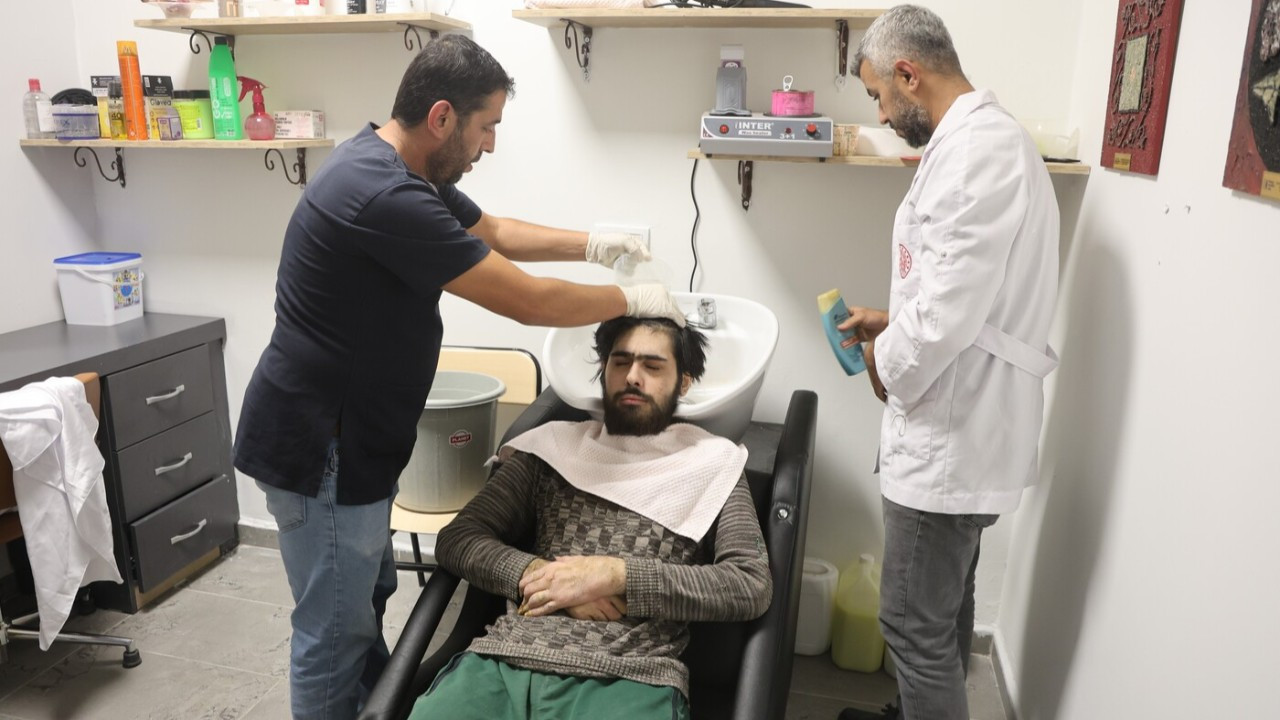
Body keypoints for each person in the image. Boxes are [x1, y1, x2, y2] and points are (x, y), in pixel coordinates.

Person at [233, 35, 686, 720]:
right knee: (332, 634)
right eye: (487, 126)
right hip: (321, 447)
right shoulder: (381, 193)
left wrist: (595, 244)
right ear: (442, 117)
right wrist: (633, 299)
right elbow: (526, 299)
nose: (491, 145)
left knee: (364, 604)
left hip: (355, 440)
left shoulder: (400, 168)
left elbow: (495, 230)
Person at [836, 6, 1060, 720]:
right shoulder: (977, 143)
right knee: (944, 609)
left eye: (879, 94)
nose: (881, 112)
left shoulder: (975, 152)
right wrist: (892, 320)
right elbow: (952, 290)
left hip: (953, 434)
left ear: (909, 73)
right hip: (966, 418)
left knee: (911, 626)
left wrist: (885, 359)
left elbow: (943, 317)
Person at [408, 316, 773, 720]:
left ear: (683, 382)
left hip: (630, 676)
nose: (632, 376)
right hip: (505, 659)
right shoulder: (550, 449)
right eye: (621, 362)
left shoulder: (713, 465)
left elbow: (749, 584)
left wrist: (614, 575)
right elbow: (459, 538)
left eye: (652, 366)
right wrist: (541, 576)